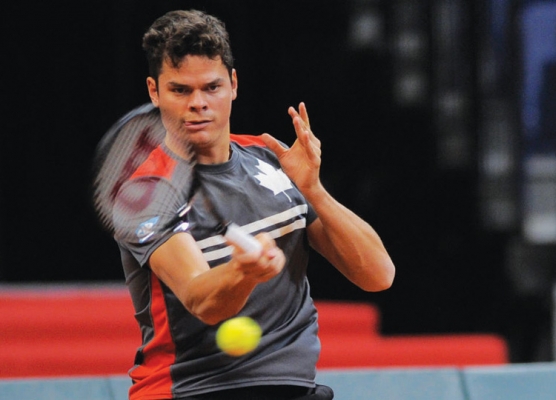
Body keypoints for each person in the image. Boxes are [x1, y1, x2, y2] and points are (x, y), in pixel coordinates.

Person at [116, 9, 395, 400]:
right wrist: (244, 272)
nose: (198, 103)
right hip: (193, 391)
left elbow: (378, 274)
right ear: (154, 91)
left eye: (211, 87)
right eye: (180, 90)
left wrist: (313, 190)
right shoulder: (146, 192)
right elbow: (201, 299)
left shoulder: (270, 159)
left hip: (293, 389)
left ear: (233, 84)